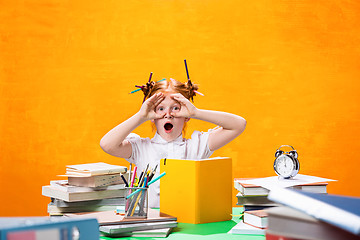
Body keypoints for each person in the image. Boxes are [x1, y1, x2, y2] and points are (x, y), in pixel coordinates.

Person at [100, 78, 246, 208]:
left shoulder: (198, 145)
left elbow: (239, 124)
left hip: (188, 224)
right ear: (152, 115)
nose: (168, 114)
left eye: (176, 108)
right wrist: (140, 116)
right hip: (151, 225)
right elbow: (107, 144)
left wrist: (196, 112)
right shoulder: (140, 148)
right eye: (161, 109)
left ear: (186, 115)